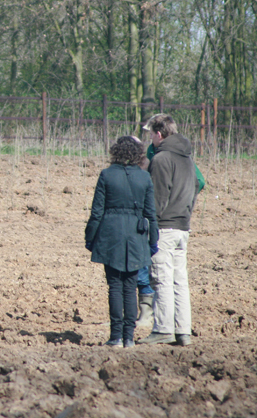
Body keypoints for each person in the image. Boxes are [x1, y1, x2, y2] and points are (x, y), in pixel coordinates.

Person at [85, 136, 159, 348]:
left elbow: (96, 212)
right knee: (130, 287)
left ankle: (116, 336)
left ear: (115, 152)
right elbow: (151, 214)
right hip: (136, 237)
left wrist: (90, 238)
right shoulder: (144, 177)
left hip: (110, 236)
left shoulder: (106, 175)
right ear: (138, 153)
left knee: (115, 287)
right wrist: (153, 241)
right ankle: (128, 337)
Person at [134, 114, 206, 329]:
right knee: (179, 281)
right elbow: (198, 182)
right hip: (182, 224)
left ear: (158, 133)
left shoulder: (161, 157)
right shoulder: (186, 156)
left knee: (161, 278)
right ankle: (182, 330)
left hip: (164, 224)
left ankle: (162, 329)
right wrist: (185, 209)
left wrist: (150, 224)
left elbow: (158, 197)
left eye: (151, 135)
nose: (150, 140)